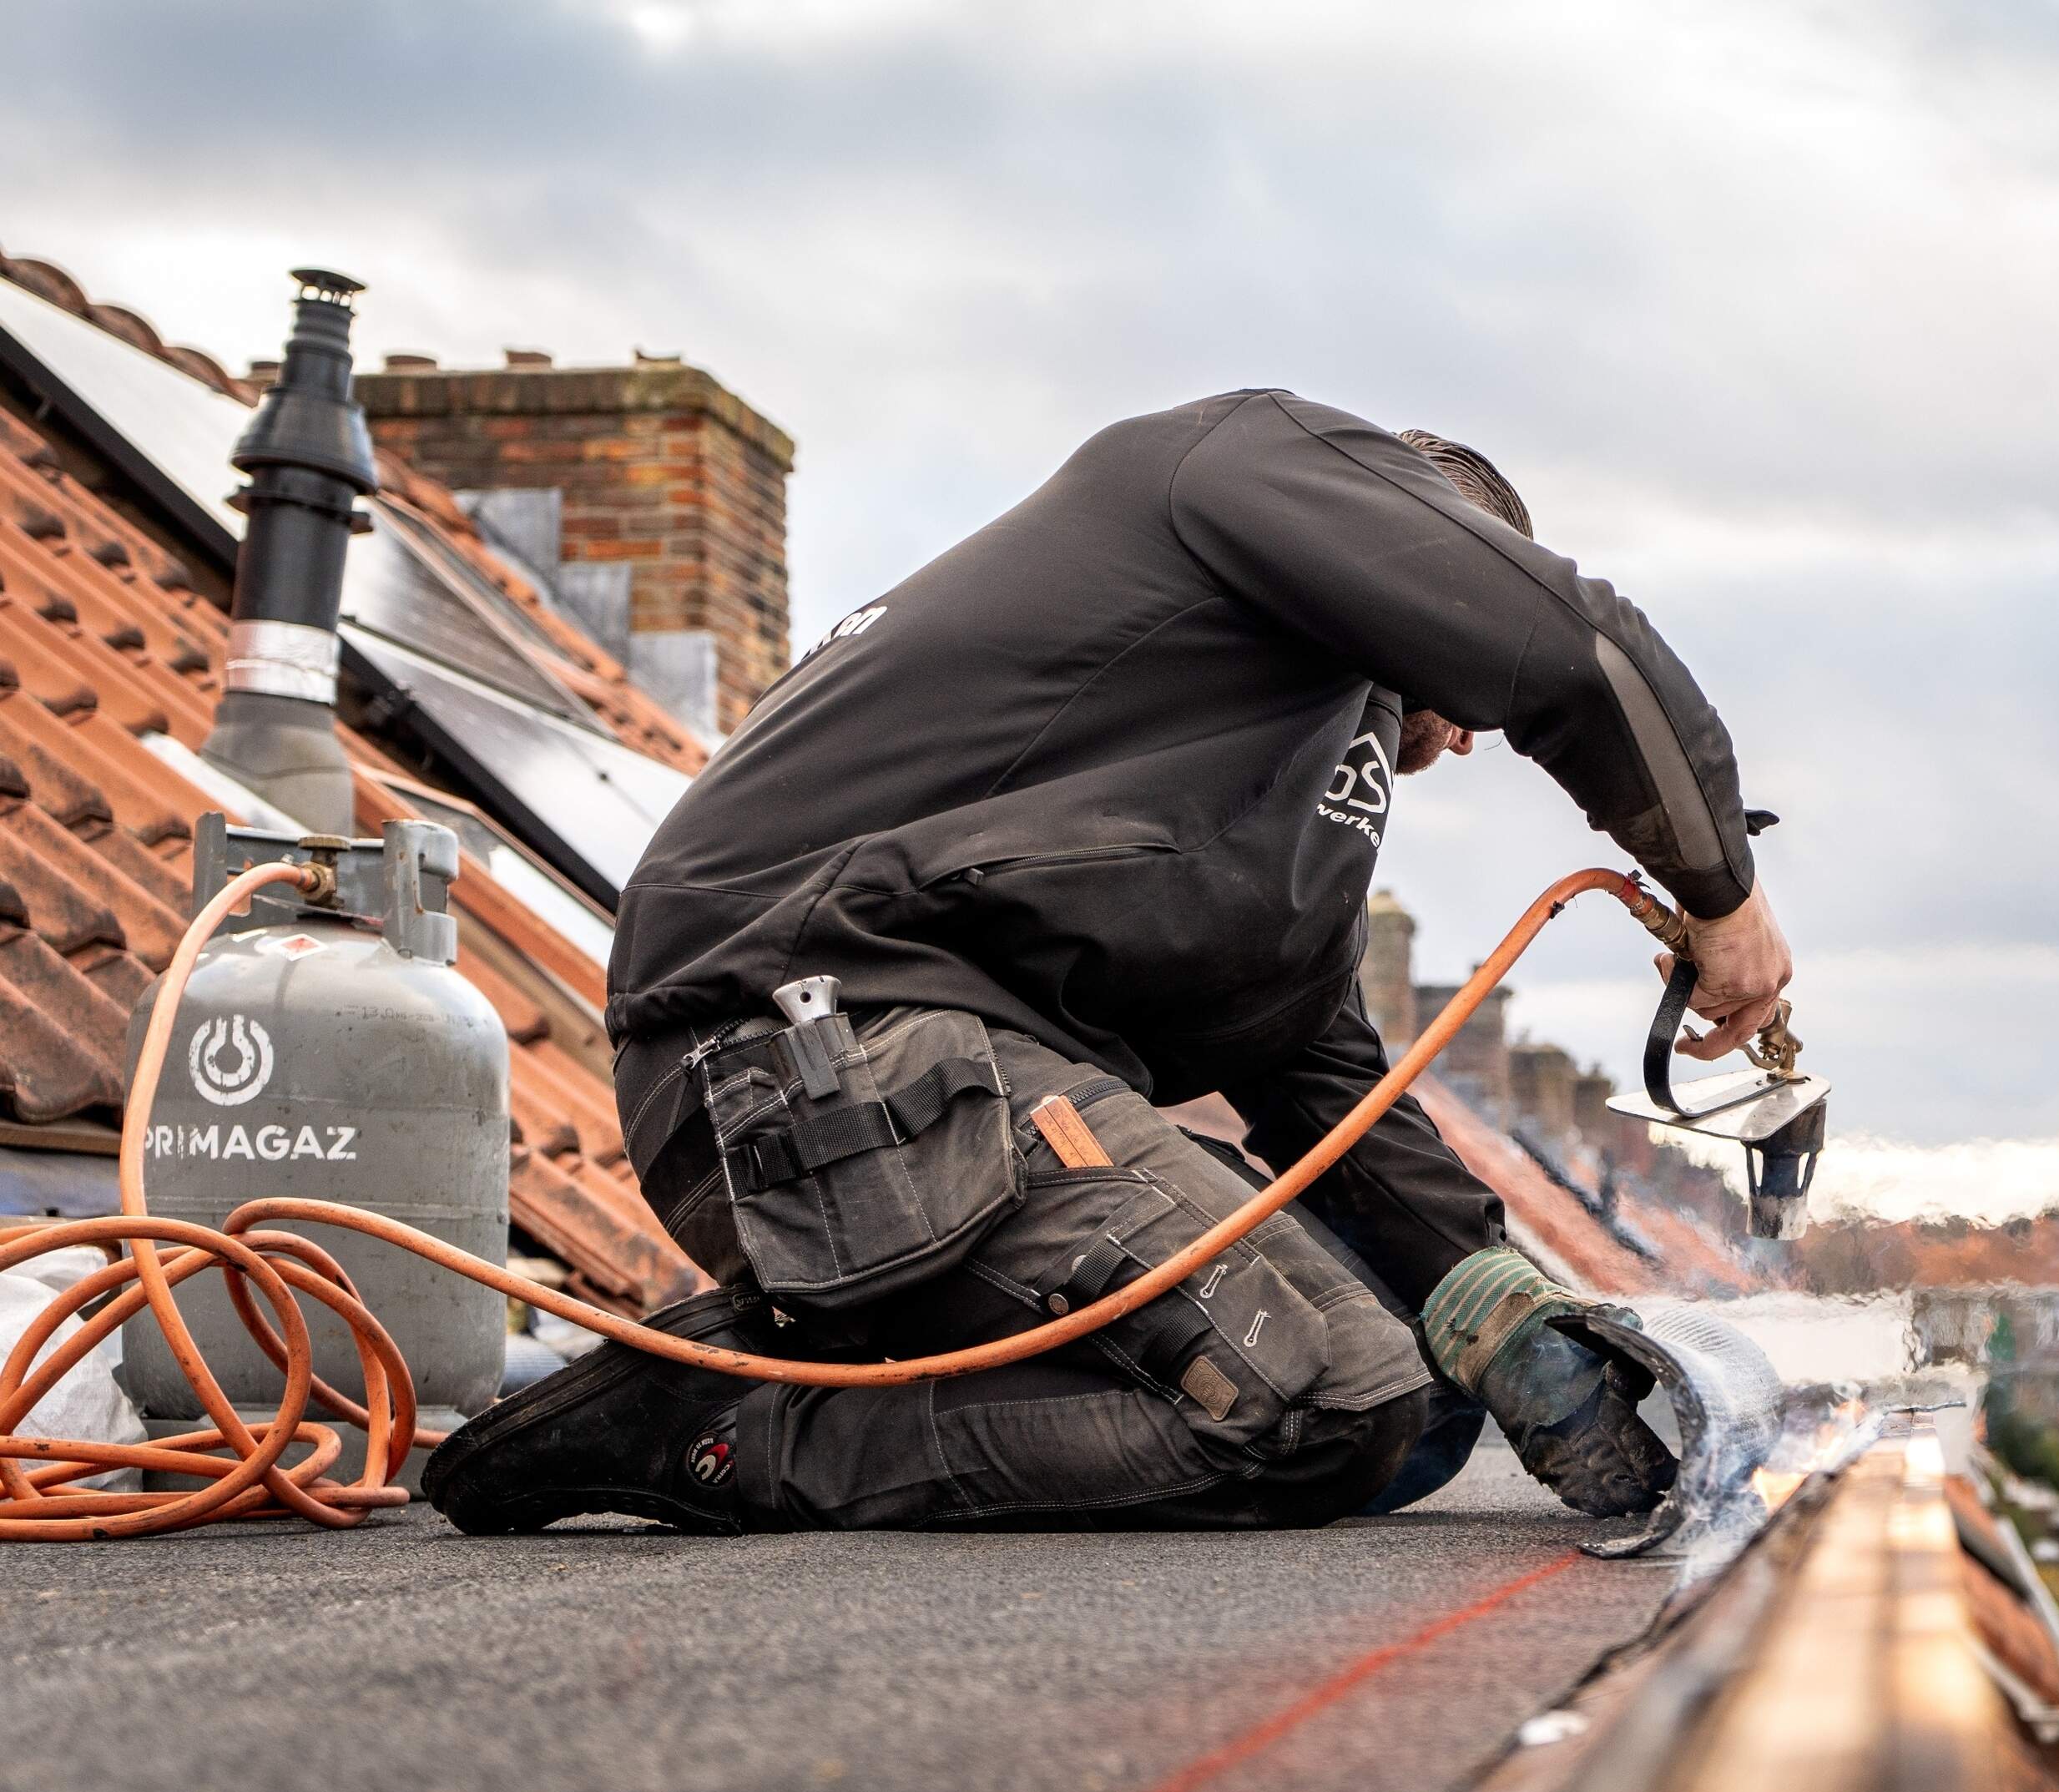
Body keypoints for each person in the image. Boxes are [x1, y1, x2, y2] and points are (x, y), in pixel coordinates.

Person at [428, 390, 1790, 1536]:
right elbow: (1568, 645)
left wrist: (1494, 1305)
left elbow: (1319, 1074)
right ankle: (733, 1426)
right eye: (1455, 653)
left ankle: (843, 1349)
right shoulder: (1248, 461)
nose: (1468, 732)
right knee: (1328, 1397)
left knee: (1423, 1404)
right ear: (1421, 560)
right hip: (795, 1054)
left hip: (922, 1095)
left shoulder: (1252, 770)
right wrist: (1718, 891)